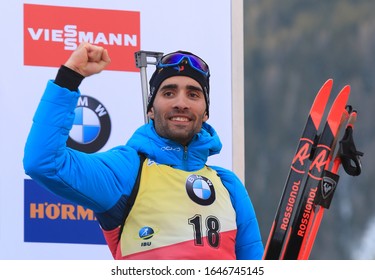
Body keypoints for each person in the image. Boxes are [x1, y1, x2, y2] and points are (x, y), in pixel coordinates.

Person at [23, 42, 264, 260]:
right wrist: (69, 77)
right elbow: (44, 162)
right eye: (169, 93)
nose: (181, 103)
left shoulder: (227, 184)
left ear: (206, 112)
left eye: (193, 94)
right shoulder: (126, 169)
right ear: (151, 109)